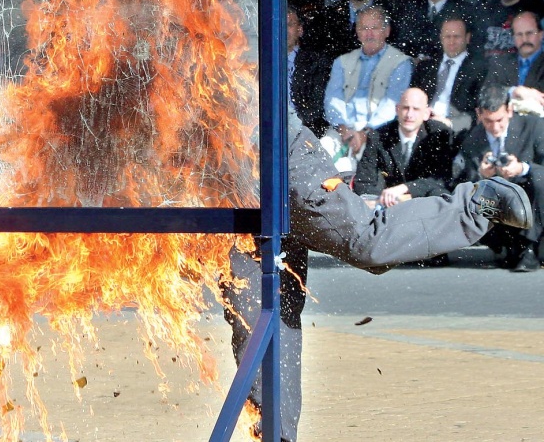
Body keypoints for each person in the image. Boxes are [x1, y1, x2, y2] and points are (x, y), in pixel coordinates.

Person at [223, 113, 533, 442]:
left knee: (365, 241)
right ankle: (277, 436)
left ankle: (475, 204)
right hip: (219, 178)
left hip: (271, 147)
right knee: (257, 314)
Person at [454, 83, 544, 272]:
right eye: (488, 121)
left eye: (500, 120)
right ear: (479, 114)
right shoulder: (473, 138)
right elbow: (461, 181)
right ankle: (506, 246)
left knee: (538, 180)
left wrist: (522, 168)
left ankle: (529, 248)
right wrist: (481, 174)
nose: (495, 127)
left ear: (510, 110)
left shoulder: (534, 126)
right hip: (499, 204)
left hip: (530, 201)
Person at [322, 6, 412, 163]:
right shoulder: (342, 62)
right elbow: (332, 99)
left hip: (378, 134)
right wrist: (344, 128)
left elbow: (392, 104)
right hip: (342, 131)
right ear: (357, 31)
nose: (369, 34)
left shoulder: (400, 63)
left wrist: (365, 133)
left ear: (387, 31)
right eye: (364, 28)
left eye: (375, 28)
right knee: (323, 150)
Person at [353, 87, 454, 205]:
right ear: (397, 109)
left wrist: (406, 188)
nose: (409, 114)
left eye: (416, 109)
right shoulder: (378, 137)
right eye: (406, 108)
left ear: (426, 114)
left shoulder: (438, 135)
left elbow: (441, 180)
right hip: (387, 206)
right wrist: (379, 201)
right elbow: (364, 181)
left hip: (423, 205)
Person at [412, 16, 487, 138]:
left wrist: (451, 124)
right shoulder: (425, 66)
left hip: (454, 129)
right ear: (441, 38)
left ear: (467, 38)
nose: (451, 41)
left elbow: (478, 112)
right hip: (421, 124)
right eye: (447, 37)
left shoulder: (478, 69)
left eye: (456, 37)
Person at [286, 5, 331, 137]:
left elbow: (316, 107)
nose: (282, 29)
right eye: (278, 24)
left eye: (289, 25)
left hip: (305, 134)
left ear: (300, 30)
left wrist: (291, 125)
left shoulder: (317, 63)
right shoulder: (259, 62)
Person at [484, 11, 544, 109]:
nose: (524, 39)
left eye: (529, 33)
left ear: (541, 34)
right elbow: (487, 92)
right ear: (513, 38)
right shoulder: (500, 62)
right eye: (519, 34)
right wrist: (513, 91)